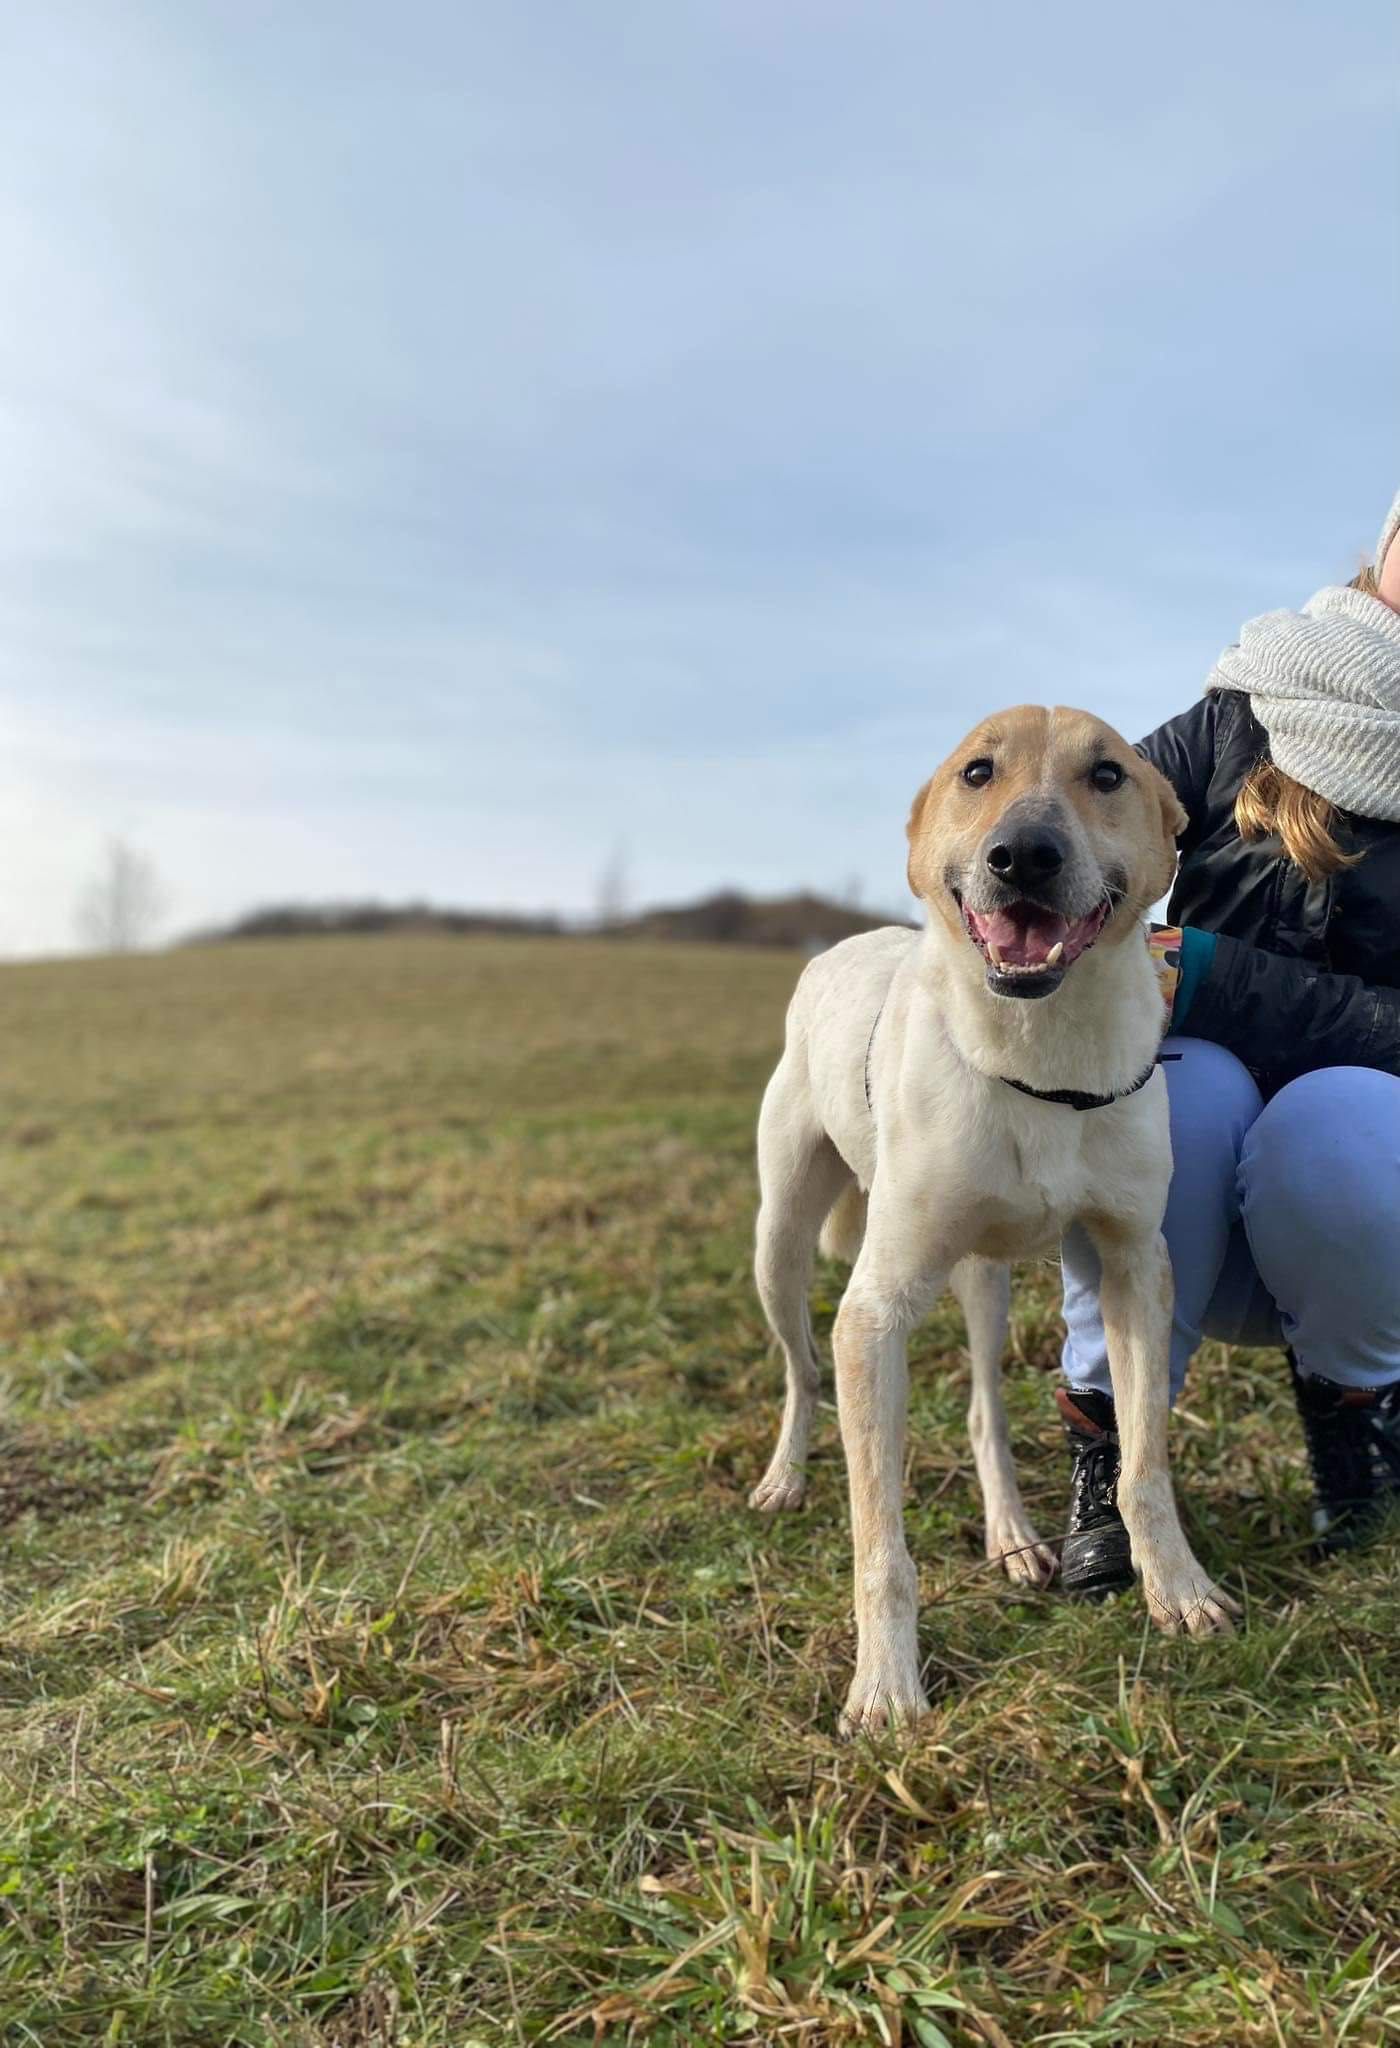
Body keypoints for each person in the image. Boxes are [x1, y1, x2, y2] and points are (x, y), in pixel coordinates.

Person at [1057, 490, 1400, 1596]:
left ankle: (1356, 1416)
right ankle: (1108, 1445)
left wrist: (1208, 971)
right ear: (1385, 545)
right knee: (1182, 1099)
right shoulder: (1243, 707)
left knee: (1332, 1124)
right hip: (1182, 1166)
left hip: (1362, 1196)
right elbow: (1080, 831)